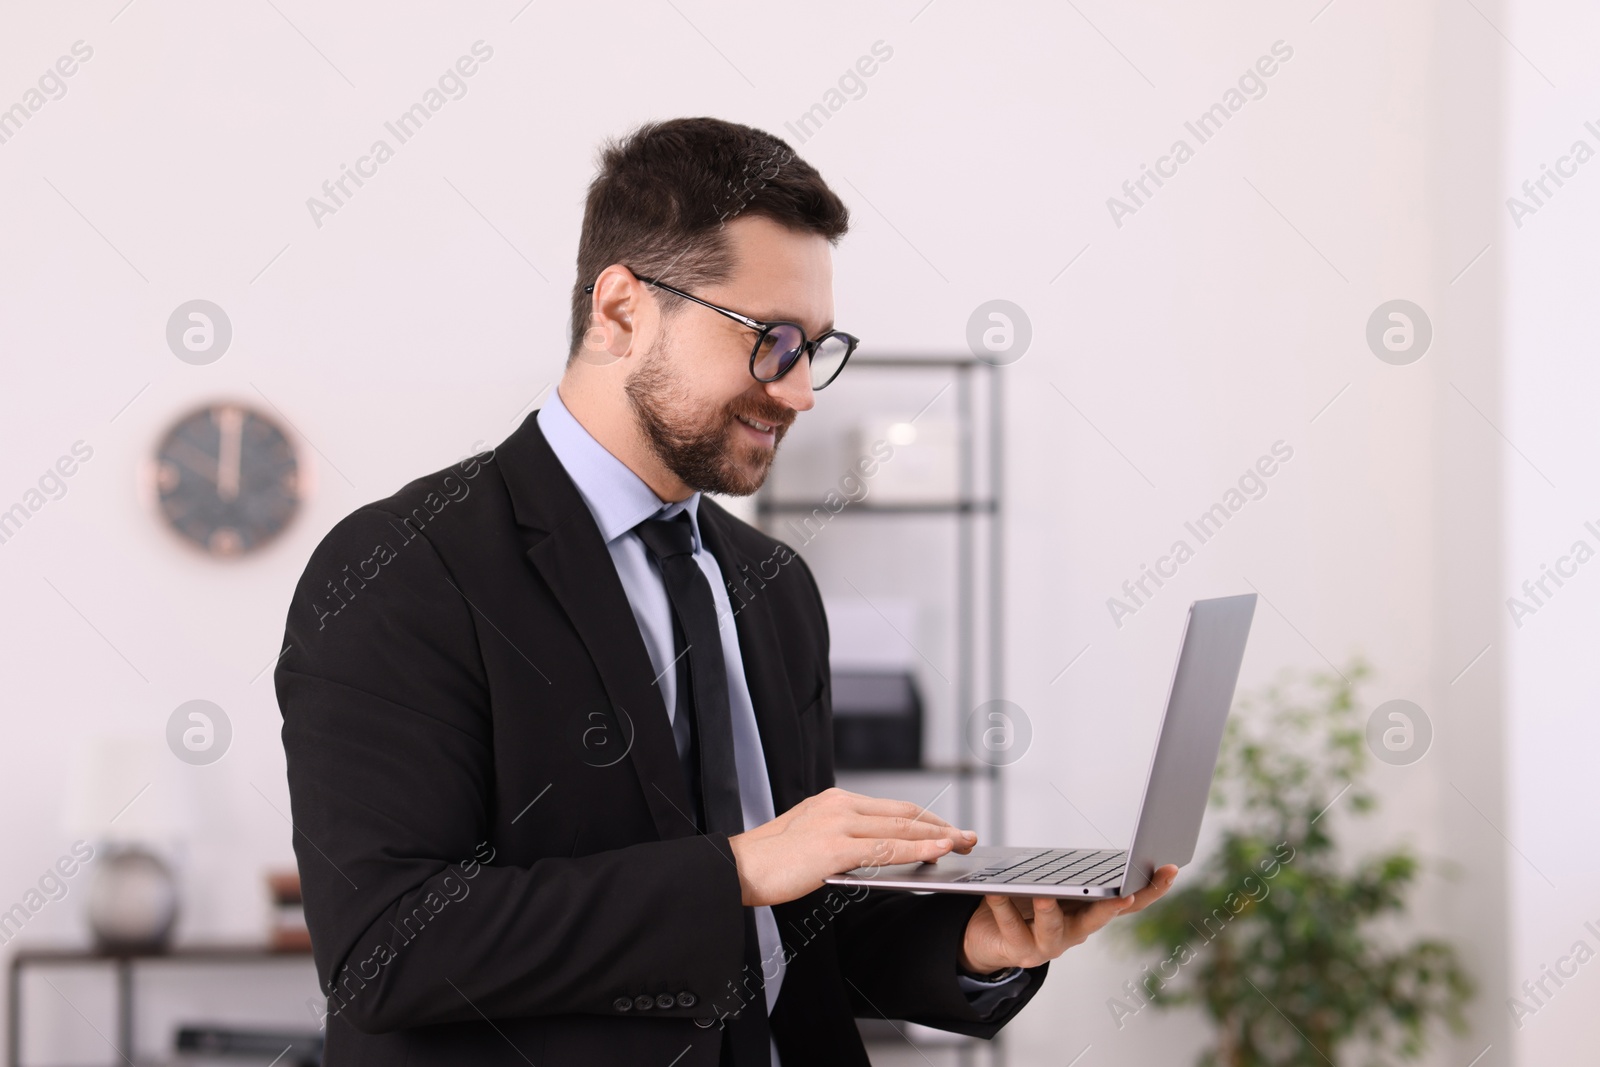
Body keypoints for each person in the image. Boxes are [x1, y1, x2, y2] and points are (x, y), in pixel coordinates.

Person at [274, 116, 1177, 1067]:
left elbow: (793, 927)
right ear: (621, 311)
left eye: (816, 348)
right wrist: (736, 869)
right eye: (771, 340)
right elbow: (388, 949)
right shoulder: (402, 567)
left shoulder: (771, 583)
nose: (798, 392)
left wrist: (976, 945)